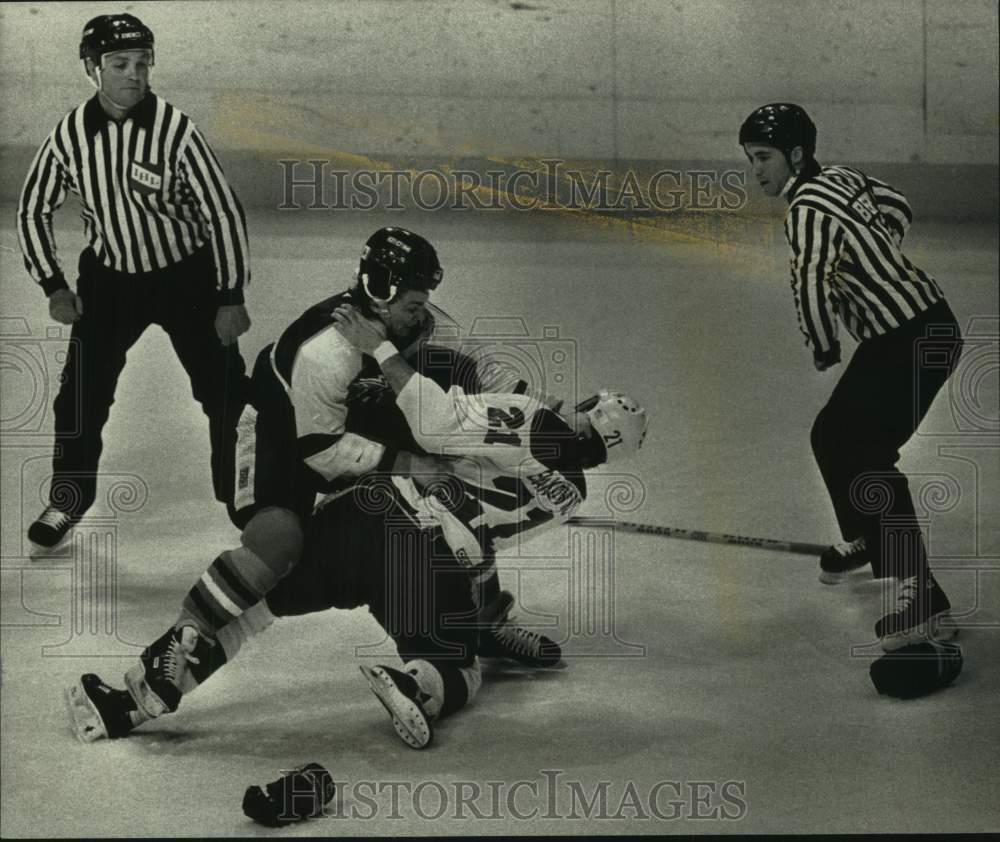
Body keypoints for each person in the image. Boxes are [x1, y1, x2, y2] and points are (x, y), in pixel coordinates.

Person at [66, 338, 649, 748]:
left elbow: (438, 419)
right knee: (458, 663)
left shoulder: (528, 417)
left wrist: (391, 356)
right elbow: (483, 538)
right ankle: (419, 686)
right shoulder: (572, 495)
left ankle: (135, 700)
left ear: (586, 412)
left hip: (371, 516)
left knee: (259, 606)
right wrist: (484, 617)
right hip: (437, 565)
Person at [16, 13, 252, 547]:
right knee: (80, 395)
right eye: (120, 64)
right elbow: (32, 209)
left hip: (187, 280)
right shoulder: (70, 135)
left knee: (225, 393)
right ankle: (67, 502)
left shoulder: (177, 130)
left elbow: (224, 213)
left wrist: (230, 293)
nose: (135, 75)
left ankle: (246, 498)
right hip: (111, 283)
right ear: (91, 69)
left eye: (143, 63)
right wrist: (52, 284)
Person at [739, 103, 963, 651]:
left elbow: (809, 282)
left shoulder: (805, 211)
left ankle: (922, 592)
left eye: (763, 157)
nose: (756, 171)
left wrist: (823, 345)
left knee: (865, 453)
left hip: (909, 340)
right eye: (750, 159)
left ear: (795, 153)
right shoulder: (841, 178)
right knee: (830, 434)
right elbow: (897, 203)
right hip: (925, 326)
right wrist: (882, 251)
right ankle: (871, 538)